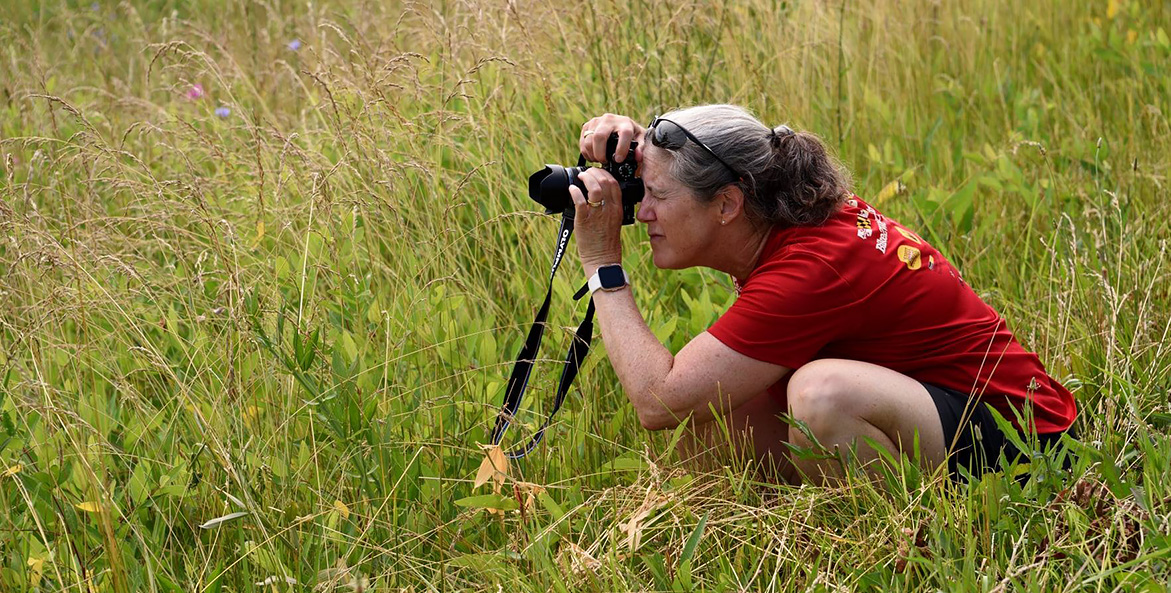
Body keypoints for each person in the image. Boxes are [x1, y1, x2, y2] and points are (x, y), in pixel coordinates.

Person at [566, 104, 1077, 484]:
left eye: (654, 195)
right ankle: (787, 539)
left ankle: (910, 554)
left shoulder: (811, 268)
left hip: (1029, 443)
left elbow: (659, 402)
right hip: (941, 409)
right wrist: (638, 146)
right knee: (712, 416)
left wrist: (601, 264)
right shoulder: (782, 218)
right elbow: (711, 153)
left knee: (820, 396)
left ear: (726, 205)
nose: (641, 213)